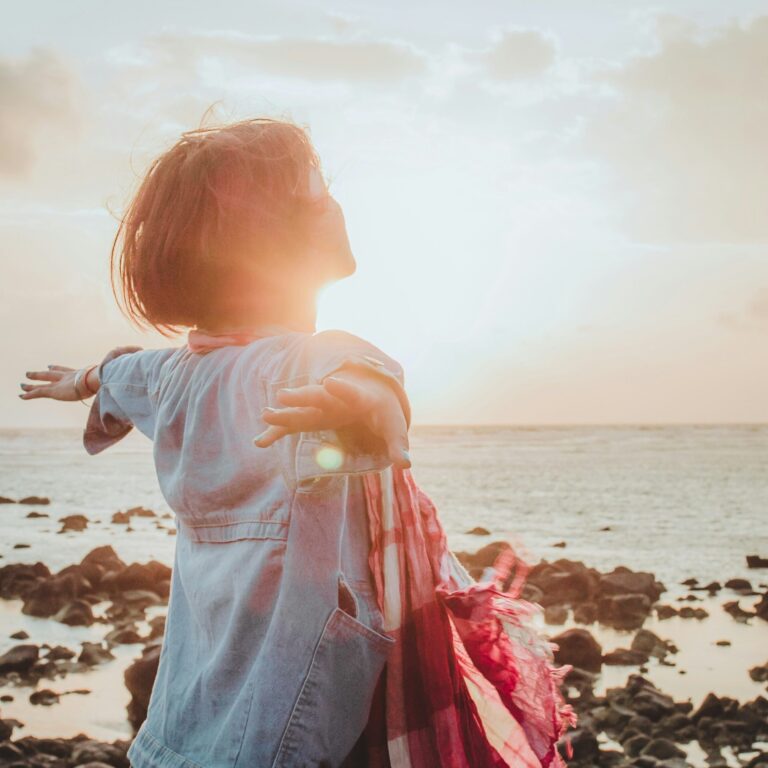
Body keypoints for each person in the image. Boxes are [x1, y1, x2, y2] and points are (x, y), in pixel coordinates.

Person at [20, 116, 575, 767]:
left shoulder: (175, 375)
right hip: (296, 726)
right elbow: (376, 393)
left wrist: (81, 380)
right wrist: (359, 408)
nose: (334, 201)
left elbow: (122, 374)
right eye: (316, 189)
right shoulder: (314, 361)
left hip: (189, 723)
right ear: (264, 239)